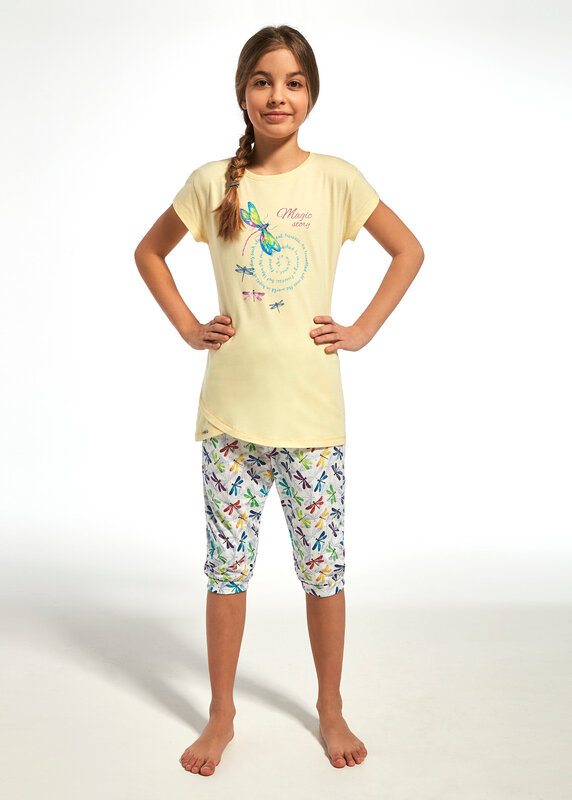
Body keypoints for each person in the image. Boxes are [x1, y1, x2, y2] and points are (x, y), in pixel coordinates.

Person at [134, 24, 424, 777]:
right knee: (227, 572)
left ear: (312, 95)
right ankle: (221, 714)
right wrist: (188, 326)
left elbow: (408, 250)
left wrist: (362, 328)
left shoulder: (336, 180)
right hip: (230, 418)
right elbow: (149, 251)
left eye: (293, 82)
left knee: (323, 572)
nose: (278, 95)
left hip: (311, 418)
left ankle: (330, 706)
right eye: (263, 81)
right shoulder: (212, 182)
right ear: (243, 93)